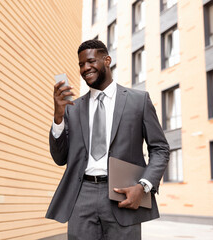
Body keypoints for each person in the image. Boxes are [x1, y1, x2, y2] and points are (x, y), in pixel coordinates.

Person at [46, 39, 170, 240]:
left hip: (123, 193)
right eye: (81, 64)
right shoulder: (72, 108)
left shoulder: (138, 101)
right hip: (81, 195)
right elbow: (60, 158)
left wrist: (143, 186)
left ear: (107, 60)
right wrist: (58, 117)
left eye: (91, 61)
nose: (86, 68)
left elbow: (160, 149)